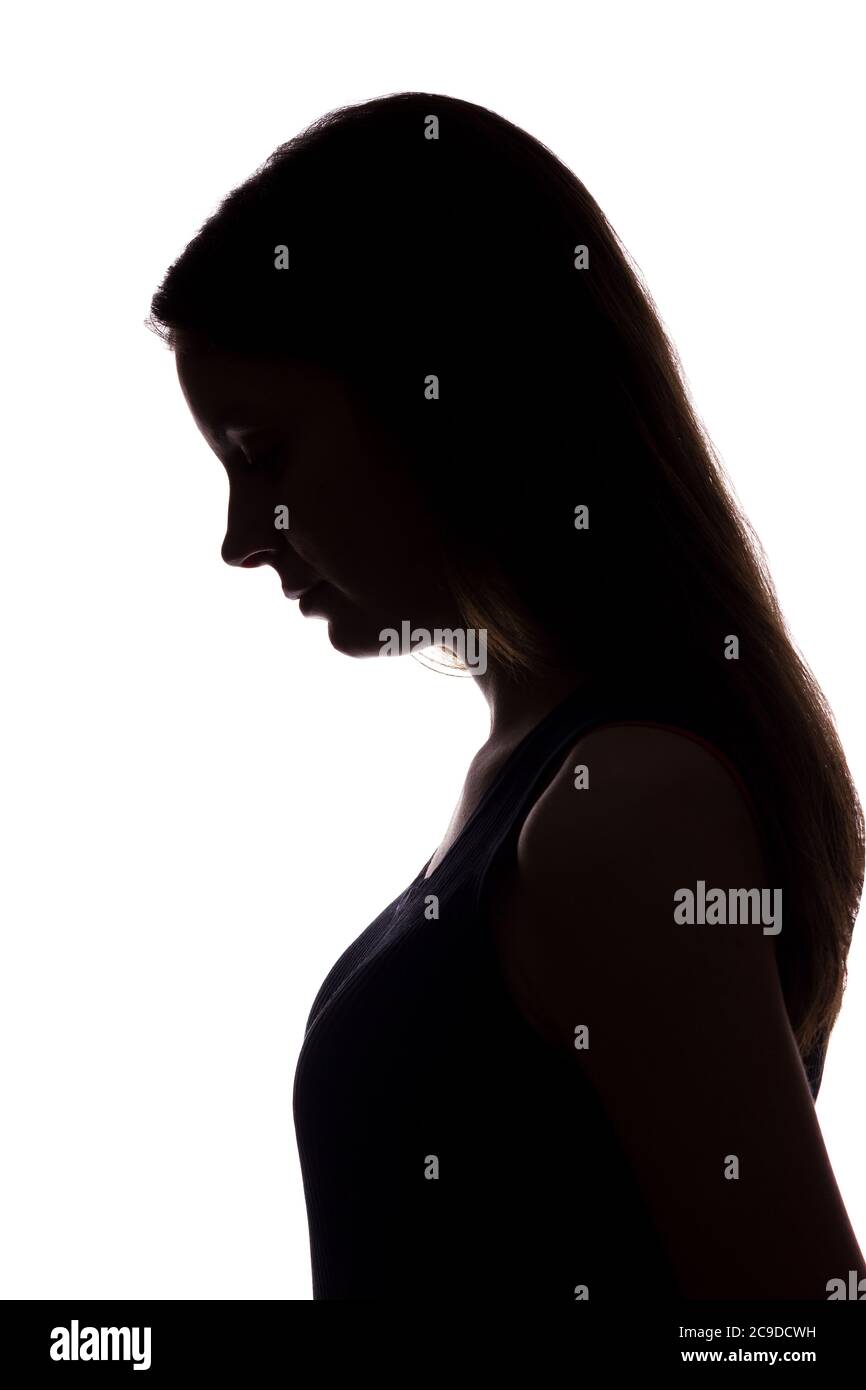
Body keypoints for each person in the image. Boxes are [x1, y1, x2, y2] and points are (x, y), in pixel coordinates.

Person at [149, 91, 865, 1300]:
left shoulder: (619, 805)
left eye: (262, 456)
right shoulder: (544, 785)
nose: (239, 537)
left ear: (445, 396)